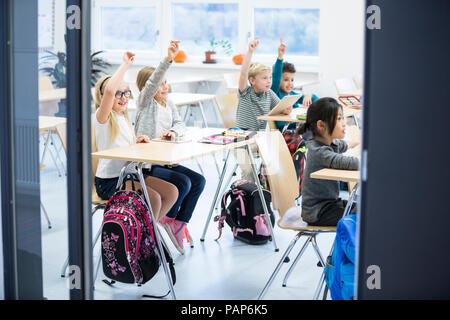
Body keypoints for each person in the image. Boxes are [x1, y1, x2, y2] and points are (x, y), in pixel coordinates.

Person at [134, 41, 206, 254]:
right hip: (149, 165)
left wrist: (173, 132)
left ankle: (178, 222)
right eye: (160, 83)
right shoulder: (145, 103)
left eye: (166, 83)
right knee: (182, 183)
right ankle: (166, 216)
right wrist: (167, 59)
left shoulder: (170, 104)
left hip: (168, 161)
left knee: (199, 181)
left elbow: (179, 124)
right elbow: (152, 83)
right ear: (147, 89)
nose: (164, 87)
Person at [93, 51, 178, 223]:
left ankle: (145, 232)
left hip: (129, 176)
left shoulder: (123, 118)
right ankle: (144, 239)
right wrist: (125, 64)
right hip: (109, 182)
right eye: (118, 94)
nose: (123, 98)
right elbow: (109, 90)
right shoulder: (102, 117)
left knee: (171, 192)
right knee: (153, 198)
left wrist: (135, 142)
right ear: (105, 98)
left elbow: (121, 145)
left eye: (125, 93)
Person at [297, 97, 360, 226]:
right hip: (318, 212)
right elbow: (342, 161)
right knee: (363, 213)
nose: (343, 123)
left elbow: (343, 145)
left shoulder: (330, 143)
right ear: (321, 125)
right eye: (338, 119)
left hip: (330, 204)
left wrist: (354, 143)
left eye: (342, 118)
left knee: (364, 207)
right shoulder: (318, 151)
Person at [235, 38, 281, 182]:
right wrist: (250, 51)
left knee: (274, 165)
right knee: (248, 172)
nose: (269, 81)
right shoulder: (245, 93)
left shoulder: (269, 94)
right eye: (264, 78)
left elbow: (281, 108)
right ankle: (247, 198)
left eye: (270, 77)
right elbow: (243, 74)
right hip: (240, 141)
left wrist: (287, 109)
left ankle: (264, 193)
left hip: (259, 139)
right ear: (252, 80)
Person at [271, 38, 319, 131]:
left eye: (292, 80)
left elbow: (314, 100)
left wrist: (310, 95)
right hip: (287, 130)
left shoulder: (293, 94)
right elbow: (276, 77)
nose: (290, 83)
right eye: (286, 80)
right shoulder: (275, 93)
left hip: (299, 127)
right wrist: (280, 57)